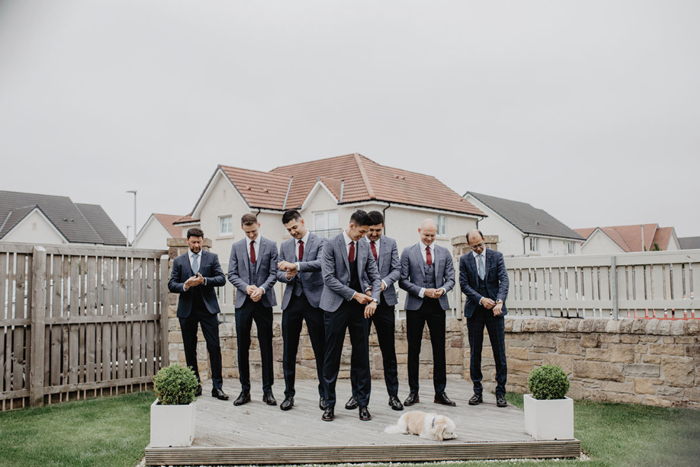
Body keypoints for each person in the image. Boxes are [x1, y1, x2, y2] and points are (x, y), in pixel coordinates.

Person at [319, 210, 381, 422]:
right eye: (362, 232)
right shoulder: (329, 243)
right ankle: (329, 405)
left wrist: (374, 300)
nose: (364, 236)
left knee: (362, 355)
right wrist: (354, 295)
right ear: (352, 225)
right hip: (336, 305)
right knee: (331, 357)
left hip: (360, 307)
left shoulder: (364, 245)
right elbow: (328, 278)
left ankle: (363, 404)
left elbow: (375, 274)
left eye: (366, 232)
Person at [346, 211, 403, 412]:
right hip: (362, 303)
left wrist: (382, 284)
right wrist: (367, 290)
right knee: (358, 350)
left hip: (385, 303)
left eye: (378, 230)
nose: (374, 234)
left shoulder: (391, 243)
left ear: (383, 227)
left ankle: (393, 395)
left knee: (389, 350)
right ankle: (356, 394)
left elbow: (397, 270)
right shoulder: (358, 243)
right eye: (371, 230)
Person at [399, 218, 456, 407]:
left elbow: (451, 279)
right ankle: (413, 393)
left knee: (439, 350)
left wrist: (443, 290)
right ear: (419, 231)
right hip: (415, 306)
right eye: (426, 235)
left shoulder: (444, 252)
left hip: (438, 305)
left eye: (432, 235)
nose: (429, 239)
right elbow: (402, 280)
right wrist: (423, 291)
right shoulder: (408, 252)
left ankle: (440, 393)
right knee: (413, 350)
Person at [168, 228, 229, 400]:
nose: (197, 245)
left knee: (214, 347)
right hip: (187, 311)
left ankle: (217, 387)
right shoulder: (179, 261)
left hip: (208, 309)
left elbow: (221, 279)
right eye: (194, 242)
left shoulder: (212, 258)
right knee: (190, 349)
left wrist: (205, 281)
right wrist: (185, 286)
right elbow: (172, 284)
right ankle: (195, 384)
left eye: (199, 242)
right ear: (187, 241)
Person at [276, 209, 327, 411]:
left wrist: (296, 265)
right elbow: (278, 272)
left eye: (295, 227)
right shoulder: (285, 245)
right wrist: (287, 275)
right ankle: (289, 394)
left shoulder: (320, 242)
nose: (293, 232)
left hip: (315, 302)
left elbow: (322, 263)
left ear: (302, 222)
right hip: (292, 302)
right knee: (288, 351)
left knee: (320, 350)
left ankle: (325, 394)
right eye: (289, 230)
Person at [227, 214, 278, 406]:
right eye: (248, 232)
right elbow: (231, 274)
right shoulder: (236, 247)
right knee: (242, 347)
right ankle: (244, 390)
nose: (252, 235)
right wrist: (246, 288)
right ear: (242, 229)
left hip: (264, 302)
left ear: (259, 225)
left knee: (266, 347)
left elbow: (274, 273)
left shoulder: (271, 246)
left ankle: (268, 391)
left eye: (254, 231)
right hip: (243, 302)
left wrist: (262, 289)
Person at [459, 229, 509, 408]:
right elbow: (464, 285)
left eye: (480, 245)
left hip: (495, 311)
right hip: (475, 310)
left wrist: (499, 302)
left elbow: (504, 281)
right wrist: (480, 299)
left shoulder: (497, 256)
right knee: (475, 352)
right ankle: (477, 391)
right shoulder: (464, 260)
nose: (478, 249)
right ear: (468, 245)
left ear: (484, 240)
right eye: (474, 246)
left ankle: (501, 392)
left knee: (499, 352)